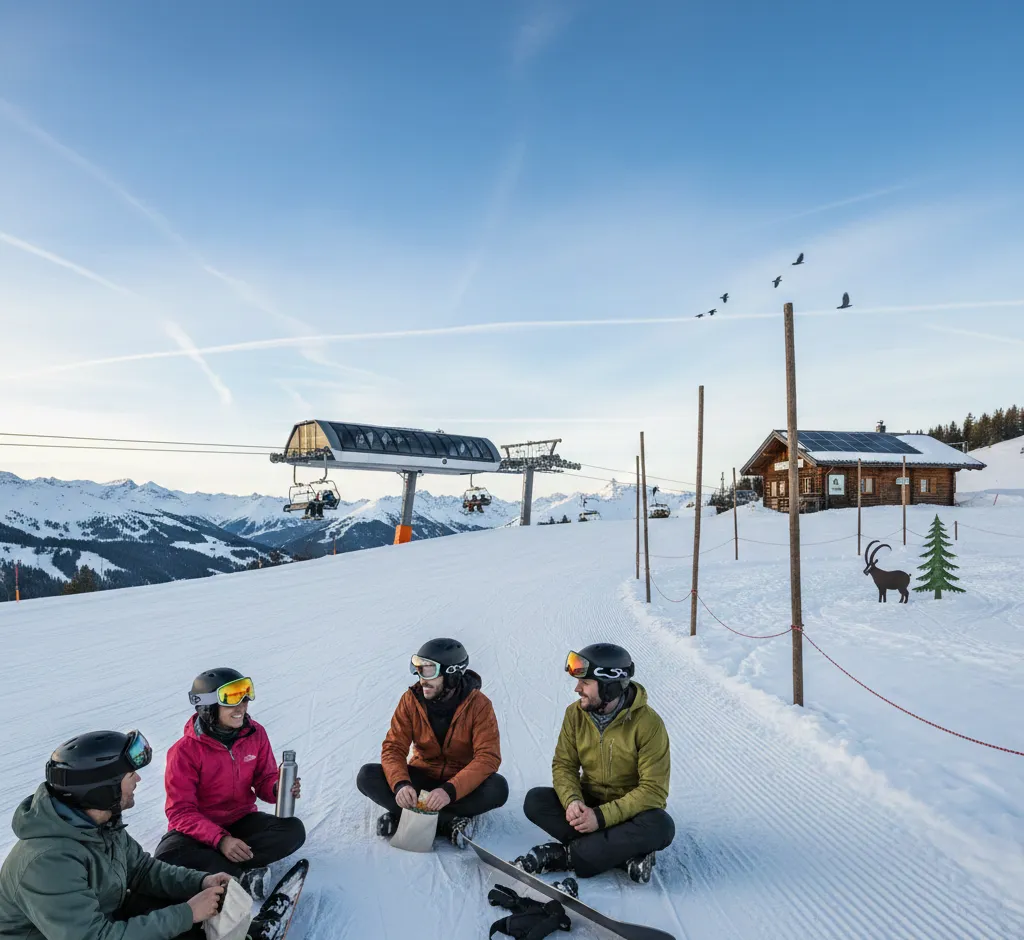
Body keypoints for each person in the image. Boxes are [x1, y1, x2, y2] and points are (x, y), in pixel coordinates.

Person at [0, 729, 230, 940]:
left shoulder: (99, 823)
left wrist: (200, 882)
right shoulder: (48, 861)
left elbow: (143, 870)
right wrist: (187, 914)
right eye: (130, 774)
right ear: (102, 790)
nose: (138, 780)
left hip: (102, 919)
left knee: (172, 909)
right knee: (181, 918)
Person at [520, 643, 674, 883]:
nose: (577, 688)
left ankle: (567, 856)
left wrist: (600, 818)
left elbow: (653, 791)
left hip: (629, 813)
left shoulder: (649, 724)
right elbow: (564, 765)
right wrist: (573, 801)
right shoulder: (574, 714)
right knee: (535, 801)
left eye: (585, 683)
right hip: (589, 801)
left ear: (610, 687)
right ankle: (620, 856)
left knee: (661, 826)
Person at [153, 668, 305, 901]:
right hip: (199, 829)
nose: (242, 707)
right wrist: (220, 840)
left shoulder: (255, 734)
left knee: (293, 830)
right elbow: (180, 812)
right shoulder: (183, 752)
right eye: (232, 700)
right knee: (167, 857)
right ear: (207, 708)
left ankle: (219, 868)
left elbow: (264, 778)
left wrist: (277, 787)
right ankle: (240, 875)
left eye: (244, 697)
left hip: (240, 819)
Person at [357, 638, 508, 845]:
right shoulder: (411, 700)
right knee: (367, 775)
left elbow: (488, 757)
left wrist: (449, 791)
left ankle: (405, 816)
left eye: (429, 671)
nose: (422, 679)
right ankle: (447, 822)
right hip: (422, 776)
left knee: (498, 788)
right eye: (418, 669)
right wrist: (401, 784)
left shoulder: (479, 705)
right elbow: (393, 747)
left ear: (452, 674)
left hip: (458, 785)